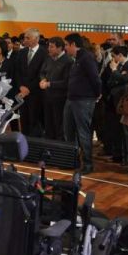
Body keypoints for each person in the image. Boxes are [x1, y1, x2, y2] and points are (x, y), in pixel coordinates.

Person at [63, 33, 102, 175]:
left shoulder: (86, 58)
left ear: (73, 45)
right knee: (68, 130)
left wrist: (97, 94)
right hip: (72, 99)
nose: (65, 48)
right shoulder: (76, 59)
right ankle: (72, 160)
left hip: (83, 100)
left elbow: (96, 79)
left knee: (83, 133)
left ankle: (87, 164)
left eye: (67, 45)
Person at [16, 28, 48, 136]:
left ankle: (34, 147)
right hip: (22, 93)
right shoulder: (22, 52)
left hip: (36, 94)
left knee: (35, 122)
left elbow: (42, 74)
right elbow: (17, 72)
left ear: (36, 39)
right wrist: (21, 86)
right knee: (24, 121)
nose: (24, 40)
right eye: (25, 37)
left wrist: (29, 88)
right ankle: (24, 146)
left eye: (27, 38)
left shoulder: (44, 53)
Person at [39, 37, 72, 141]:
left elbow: (66, 82)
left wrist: (49, 84)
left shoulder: (68, 61)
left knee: (58, 125)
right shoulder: (48, 58)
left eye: (52, 47)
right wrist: (43, 79)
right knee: (48, 124)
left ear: (60, 48)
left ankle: (58, 151)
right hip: (47, 97)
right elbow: (42, 72)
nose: (49, 49)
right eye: (49, 46)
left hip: (60, 98)